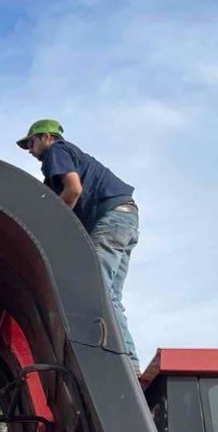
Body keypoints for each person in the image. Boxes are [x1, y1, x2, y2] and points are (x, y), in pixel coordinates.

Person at [17, 119, 140, 363]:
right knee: (111, 294)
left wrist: (53, 227)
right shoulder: (70, 157)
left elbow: (73, 190)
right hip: (126, 219)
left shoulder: (57, 151)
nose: (30, 150)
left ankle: (121, 360)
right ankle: (130, 361)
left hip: (111, 219)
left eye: (31, 142)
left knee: (98, 291)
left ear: (46, 137)